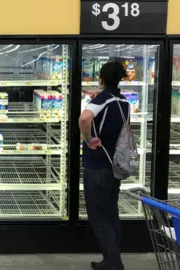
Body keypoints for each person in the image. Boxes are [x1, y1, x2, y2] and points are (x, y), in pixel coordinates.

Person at [79, 61, 129, 270]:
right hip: (114, 166)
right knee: (111, 213)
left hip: (97, 165)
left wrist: (88, 138)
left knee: (98, 216)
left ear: (101, 78)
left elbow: (84, 118)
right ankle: (111, 259)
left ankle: (114, 263)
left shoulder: (102, 99)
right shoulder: (124, 101)